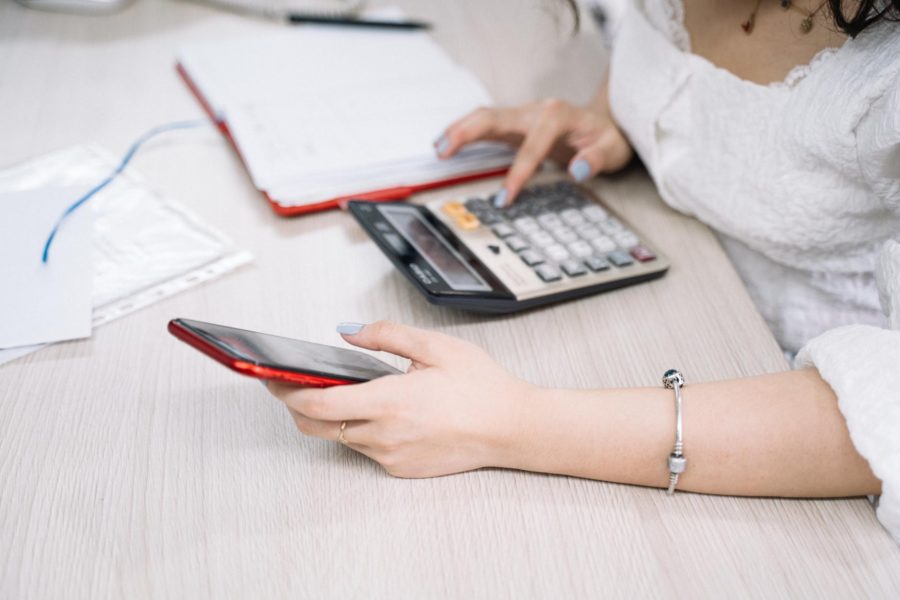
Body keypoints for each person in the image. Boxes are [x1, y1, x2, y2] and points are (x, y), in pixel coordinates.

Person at [269, 0, 900, 543]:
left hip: (807, 433)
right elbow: (662, 62)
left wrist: (512, 423)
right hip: (691, 307)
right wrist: (618, 122)